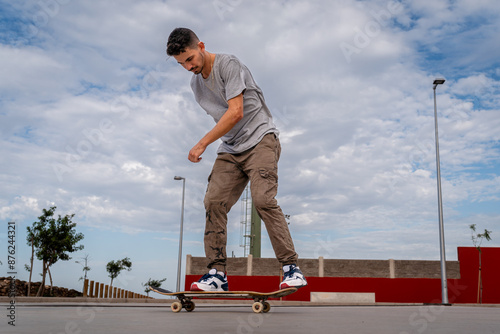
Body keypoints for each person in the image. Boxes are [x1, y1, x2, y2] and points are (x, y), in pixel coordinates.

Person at [166, 27, 307, 292]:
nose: (188, 66)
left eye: (190, 58)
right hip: (231, 149)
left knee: (263, 200)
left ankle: (291, 268)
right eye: (181, 63)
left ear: (202, 46)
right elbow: (223, 121)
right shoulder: (195, 84)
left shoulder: (228, 64)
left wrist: (202, 142)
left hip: (261, 139)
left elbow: (235, 112)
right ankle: (217, 274)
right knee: (213, 202)